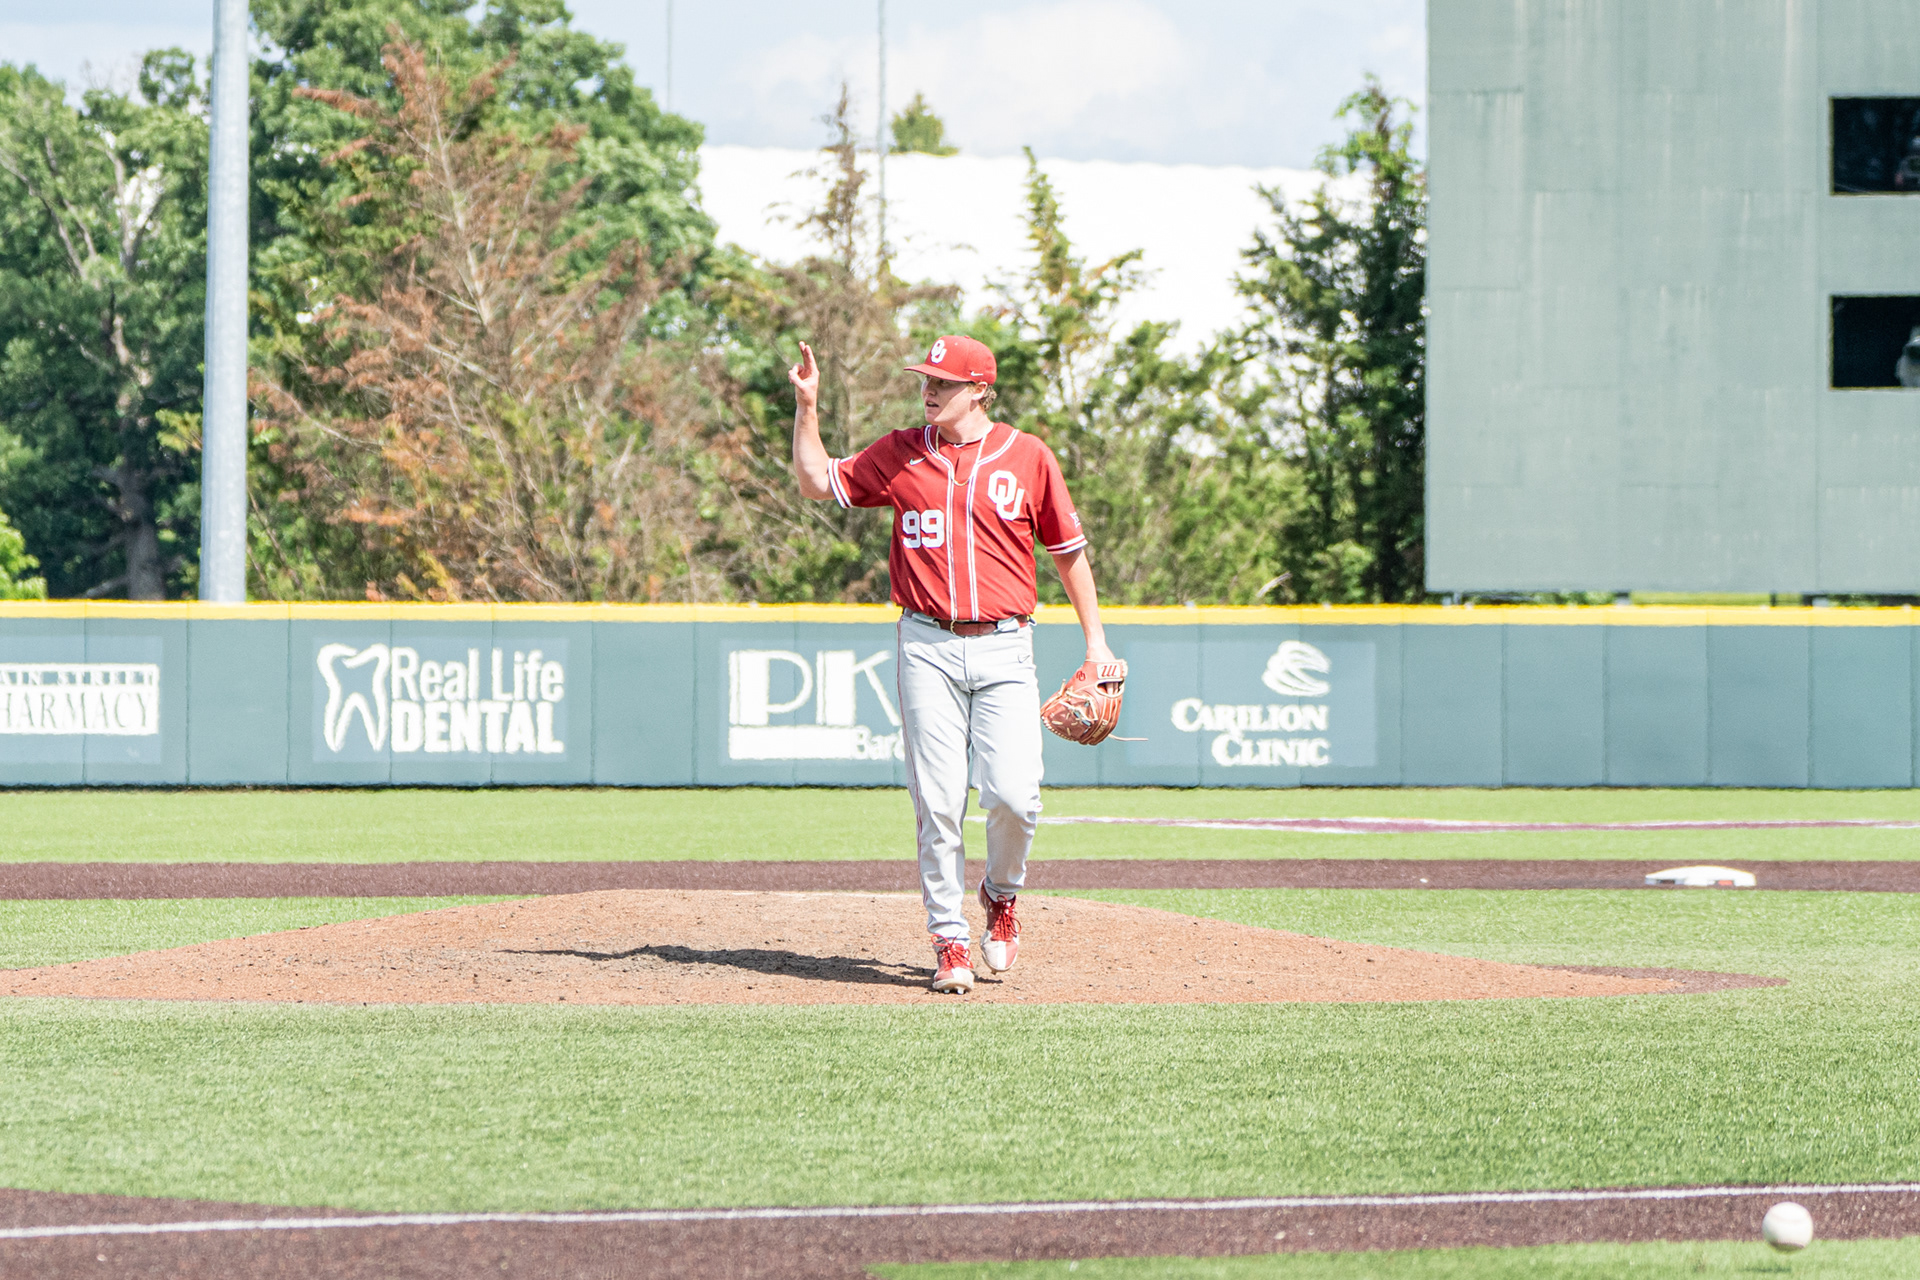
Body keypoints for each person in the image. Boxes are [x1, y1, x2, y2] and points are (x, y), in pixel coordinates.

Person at [788, 335, 1115, 994]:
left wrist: (1097, 645)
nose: (928, 389)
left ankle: (1001, 894)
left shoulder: (1027, 457)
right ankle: (950, 941)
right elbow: (816, 481)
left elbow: (1068, 552)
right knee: (937, 802)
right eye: (925, 379)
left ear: (980, 390)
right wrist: (808, 407)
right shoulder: (901, 452)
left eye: (943, 381)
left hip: (1004, 644)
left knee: (1017, 799)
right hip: (926, 644)